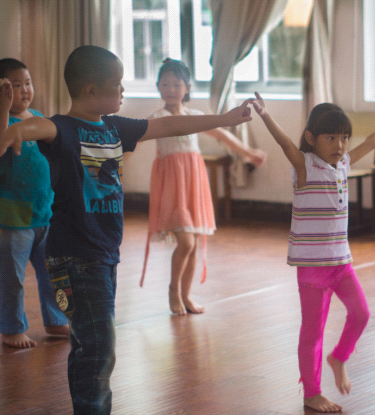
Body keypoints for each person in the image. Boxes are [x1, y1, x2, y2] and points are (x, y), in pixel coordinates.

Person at [0, 45, 254, 415]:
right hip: (75, 257)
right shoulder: (63, 129)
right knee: (99, 345)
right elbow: (36, 127)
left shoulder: (116, 128)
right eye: (117, 84)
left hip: (104, 255)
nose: (123, 90)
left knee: (91, 342)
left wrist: (226, 119)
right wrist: (13, 127)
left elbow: (168, 125)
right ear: (91, 91)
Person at [252, 92, 375, 412]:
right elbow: (285, 143)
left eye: (344, 138)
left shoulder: (343, 164)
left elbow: (372, 141)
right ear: (311, 138)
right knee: (312, 333)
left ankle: (339, 357)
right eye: (331, 138)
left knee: (362, 314)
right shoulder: (304, 166)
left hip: (341, 263)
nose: (340, 145)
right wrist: (265, 114)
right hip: (312, 268)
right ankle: (312, 392)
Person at [140, 58, 267, 315]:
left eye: (177, 84)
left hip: (193, 182)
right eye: (165, 84)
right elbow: (134, 141)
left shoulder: (195, 116)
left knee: (195, 243)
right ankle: (173, 290)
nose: (171, 89)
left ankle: (186, 295)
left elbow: (221, 133)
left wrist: (248, 153)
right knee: (186, 242)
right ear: (158, 87)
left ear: (187, 88)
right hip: (172, 185)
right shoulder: (157, 118)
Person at [0, 58, 68, 349]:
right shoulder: (4, 121)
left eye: (27, 83)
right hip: (12, 218)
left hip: (45, 211)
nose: (25, 90)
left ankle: (56, 320)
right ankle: (11, 328)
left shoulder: (38, 117)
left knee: (54, 273)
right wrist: (3, 108)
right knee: (12, 278)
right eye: (15, 85)